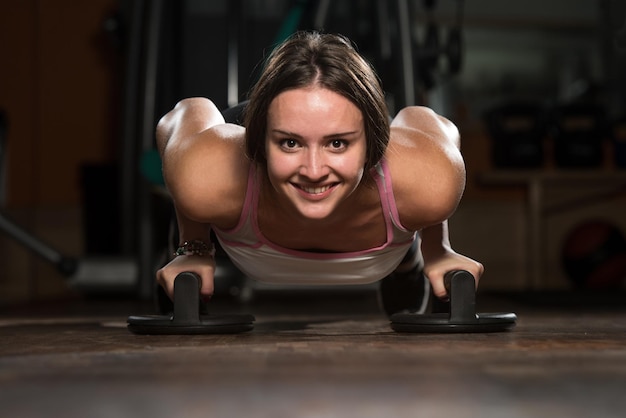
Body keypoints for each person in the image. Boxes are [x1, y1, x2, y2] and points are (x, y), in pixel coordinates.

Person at [155, 31, 483, 315]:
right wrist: (194, 246)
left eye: (337, 143)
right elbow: (185, 113)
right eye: (289, 144)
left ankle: (408, 256)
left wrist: (437, 250)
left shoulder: (428, 180)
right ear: (259, 142)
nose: (313, 171)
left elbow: (425, 121)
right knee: (197, 186)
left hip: (392, 195)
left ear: (373, 145)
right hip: (235, 173)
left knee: (420, 194)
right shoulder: (207, 174)